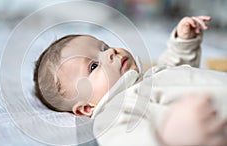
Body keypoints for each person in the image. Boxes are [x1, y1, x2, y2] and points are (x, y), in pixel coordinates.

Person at [33, 16, 227, 145]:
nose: (110, 53)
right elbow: (127, 139)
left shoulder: (147, 78)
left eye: (104, 47)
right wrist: (169, 135)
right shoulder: (114, 113)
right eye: (93, 66)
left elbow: (172, 69)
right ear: (87, 108)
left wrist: (183, 43)